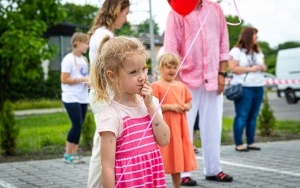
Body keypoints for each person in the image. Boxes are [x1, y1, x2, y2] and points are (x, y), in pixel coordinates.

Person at [163, 0, 233, 184]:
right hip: (186, 80)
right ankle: (184, 173)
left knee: (213, 127)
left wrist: (222, 73)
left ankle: (213, 169)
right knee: (183, 129)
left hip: (212, 77)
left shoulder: (215, 9)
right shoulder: (176, 11)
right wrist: (175, 83)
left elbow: (223, 44)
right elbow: (170, 48)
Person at [89, 35, 170, 187]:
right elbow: (107, 166)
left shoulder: (150, 104)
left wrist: (151, 106)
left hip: (151, 180)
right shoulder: (111, 115)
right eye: (133, 72)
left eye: (144, 69)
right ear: (112, 76)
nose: (142, 77)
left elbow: (164, 140)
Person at [86, 0, 130, 187]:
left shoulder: (100, 33)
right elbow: (114, 67)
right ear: (116, 11)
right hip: (106, 96)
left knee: (103, 146)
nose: (126, 19)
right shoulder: (105, 35)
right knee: (102, 149)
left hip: (101, 95)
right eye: (126, 13)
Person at [151, 53, 197, 188]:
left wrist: (186, 106)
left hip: (179, 128)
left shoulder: (181, 86)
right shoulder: (156, 86)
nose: (172, 70)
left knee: (176, 155)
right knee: (162, 154)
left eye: (175, 67)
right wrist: (171, 107)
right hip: (164, 126)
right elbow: (152, 106)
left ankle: (177, 186)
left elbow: (189, 101)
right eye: (168, 67)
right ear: (160, 68)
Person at [228, 26, 267, 152]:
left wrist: (262, 67)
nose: (257, 37)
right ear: (249, 36)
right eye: (255, 35)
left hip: (258, 86)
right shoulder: (236, 51)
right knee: (242, 115)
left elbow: (264, 65)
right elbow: (233, 68)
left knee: (253, 115)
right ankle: (239, 143)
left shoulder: (258, 51)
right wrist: (251, 69)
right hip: (244, 88)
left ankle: (251, 142)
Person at [60, 32, 89, 164]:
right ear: (77, 43)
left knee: (80, 125)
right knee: (76, 124)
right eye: (85, 43)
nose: (87, 46)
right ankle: (68, 154)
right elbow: (64, 79)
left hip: (83, 97)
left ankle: (74, 153)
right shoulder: (68, 59)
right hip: (71, 97)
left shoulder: (84, 60)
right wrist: (81, 79)